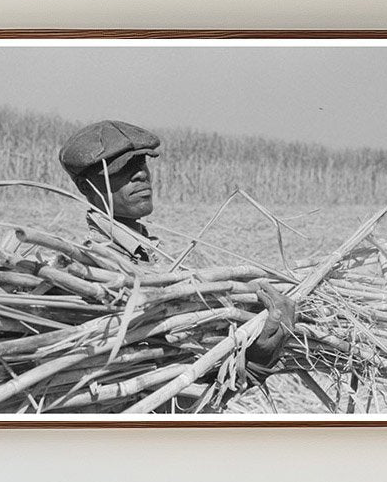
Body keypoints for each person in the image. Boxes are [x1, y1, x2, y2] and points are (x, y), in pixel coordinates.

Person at [59, 119, 294, 369]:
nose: (141, 175)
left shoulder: (151, 252)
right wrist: (255, 357)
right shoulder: (97, 268)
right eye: (122, 168)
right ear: (86, 186)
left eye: (141, 163)